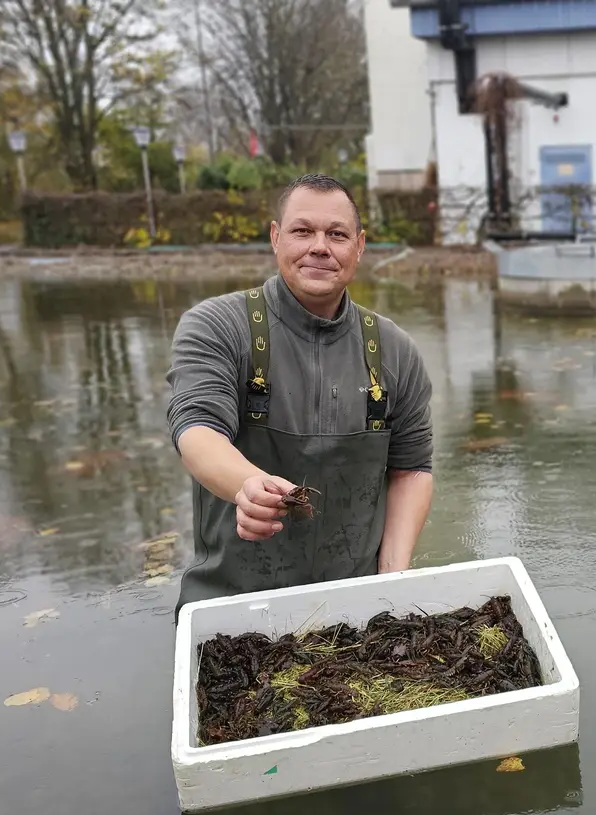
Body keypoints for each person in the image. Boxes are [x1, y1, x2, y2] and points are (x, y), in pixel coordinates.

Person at [166, 174, 435, 613]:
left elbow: (412, 470)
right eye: (302, 231)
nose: (320, 247)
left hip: (355, 613)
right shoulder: (215, 324)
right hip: (231, 609)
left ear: (359, 247)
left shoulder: (396, 351)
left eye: (337, 234)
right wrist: (247, 487)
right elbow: (197, 431)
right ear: (276, 237)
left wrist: (393, 580)